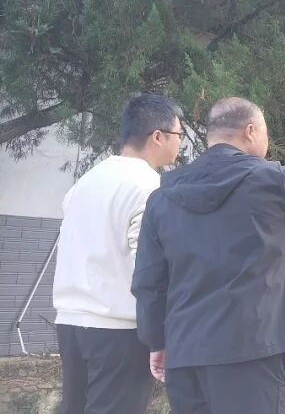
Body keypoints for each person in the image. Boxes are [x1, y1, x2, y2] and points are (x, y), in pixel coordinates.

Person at [132, 97, 285, 414]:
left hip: (185, 351)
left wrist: (156, 341)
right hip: (250, 349)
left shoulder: (162, 197)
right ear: (250, 131)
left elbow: (149, 282)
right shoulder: (269, 179)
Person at [53, 94, 184, 414]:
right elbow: (150, 269)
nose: (180, 143)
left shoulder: (85, 182)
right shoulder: (149, 186)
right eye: (178, 135)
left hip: (70, 323)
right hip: (119, 330)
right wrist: (160, 334)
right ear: (158, 136)